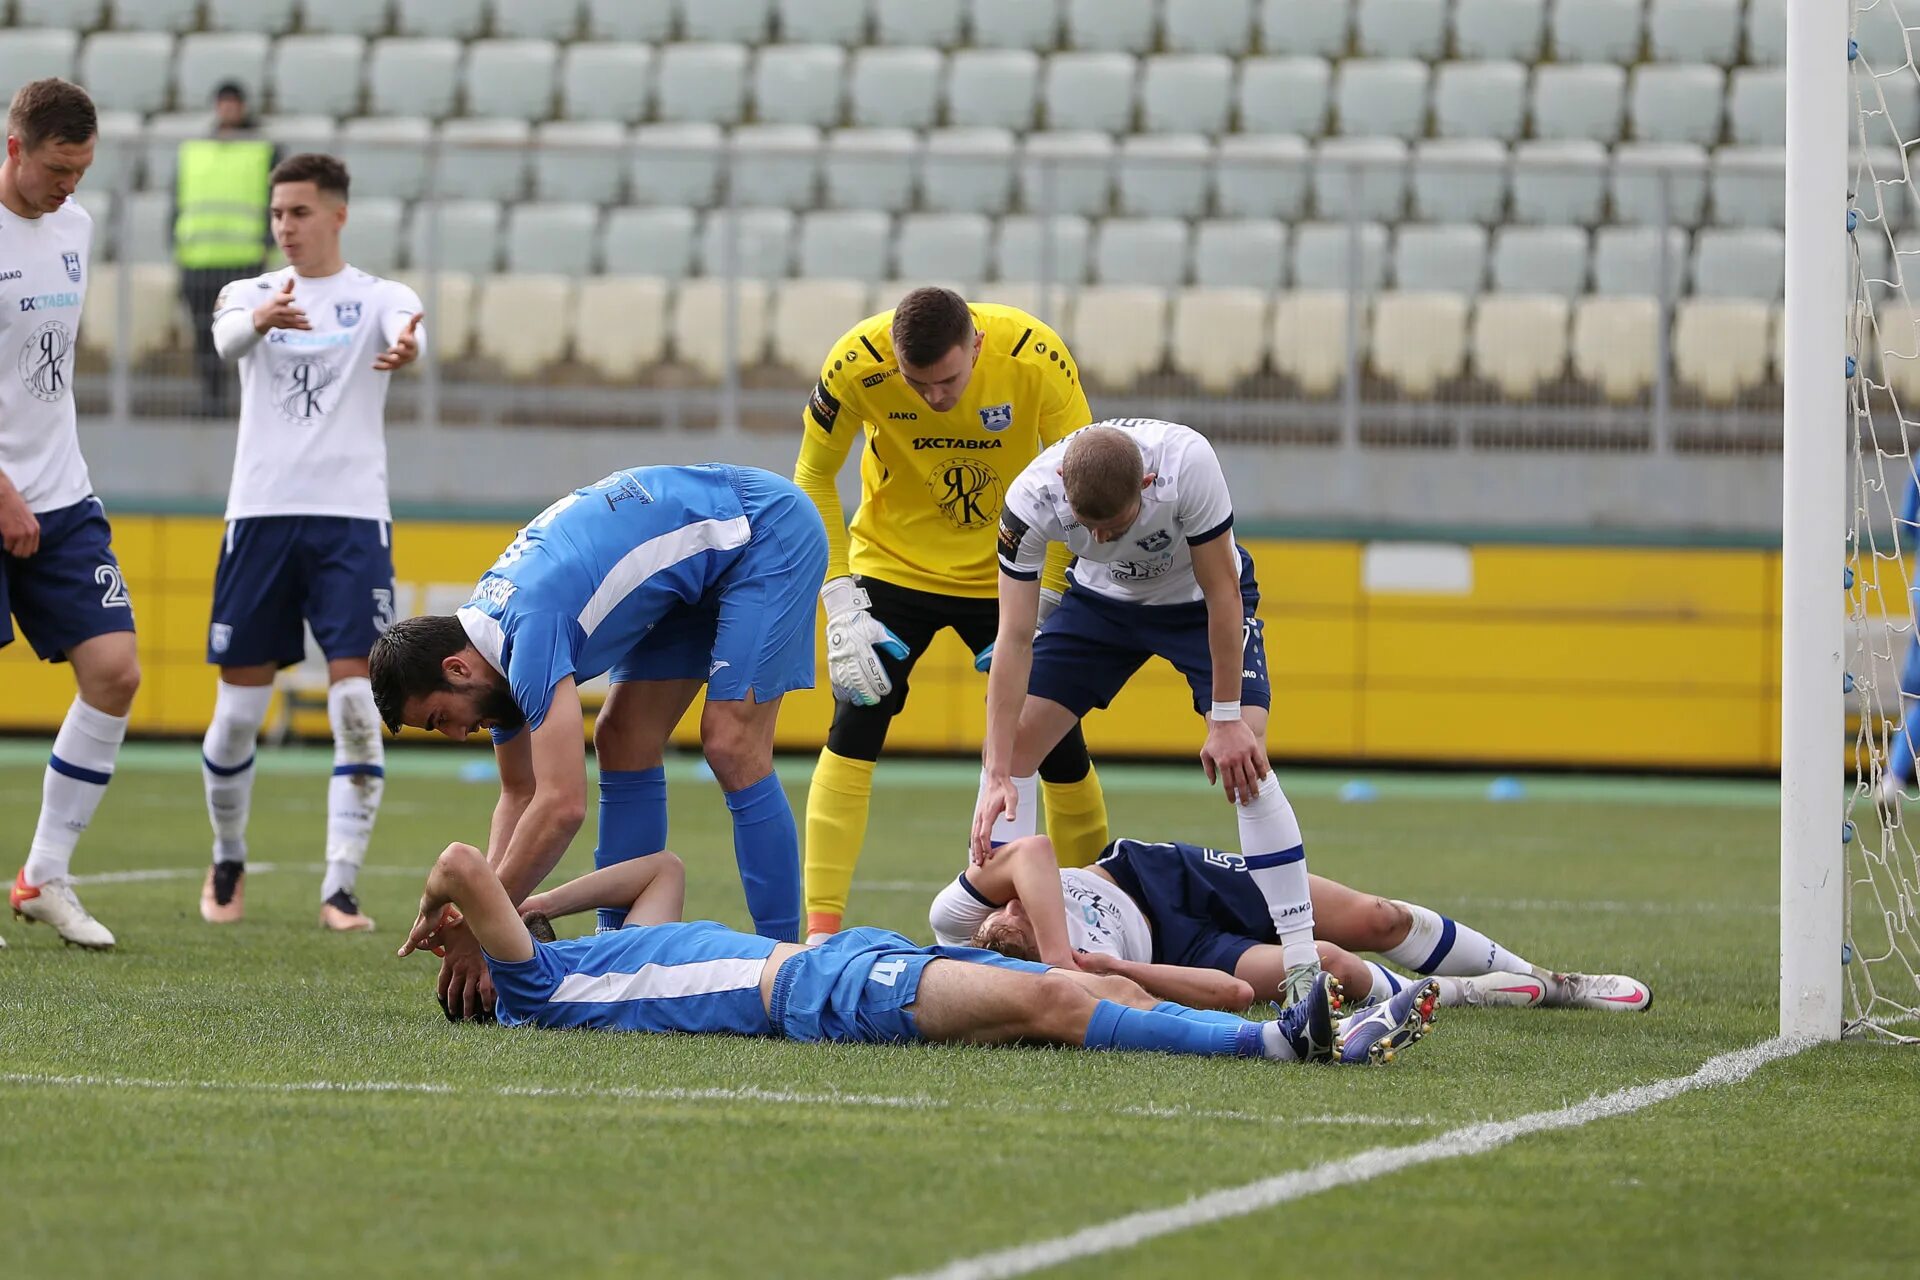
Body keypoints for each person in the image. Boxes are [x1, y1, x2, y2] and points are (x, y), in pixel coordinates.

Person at [370, 463, 829, 1019]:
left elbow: (562, 805)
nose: (456, 734)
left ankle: (786, 962)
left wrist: (486, 927)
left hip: (763, 529)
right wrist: (485, 915)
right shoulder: (489, 649)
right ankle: (617, 950)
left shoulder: (527, 630)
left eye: (441, 717)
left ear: (456, 669)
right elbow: (519, 792)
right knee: (622, 738)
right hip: (702, 565)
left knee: (732, 744)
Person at [395, 841, 1438, 1067]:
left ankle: (1302, 1022)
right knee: (1061, 1005)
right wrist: (452, 915)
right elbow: (455, 861)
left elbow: (655, 868)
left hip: (850, 964)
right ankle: (1283, 1044)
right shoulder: (538, 989)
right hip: (822, 989)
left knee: (1093, 987)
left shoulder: (597, 958)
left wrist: (531, 898)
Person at [793, 286, 1111, 944]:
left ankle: (1094, 916)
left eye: (948, 381)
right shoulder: (856, 362)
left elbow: (1080, 488)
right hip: (892, 563)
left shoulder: (1037, 359)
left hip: (1011, 568)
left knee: (1055, 739)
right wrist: (838, 597)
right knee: (856, 716)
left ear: (977, 347)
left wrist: (1049, 599)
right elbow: (813, 475)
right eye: (918, 385)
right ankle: (820, 934)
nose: (934, 398)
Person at [972, 418, 1326, 1007]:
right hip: (1101, 606)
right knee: (1017, 751)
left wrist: (1226, 717)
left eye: (1119, 525)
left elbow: (1223, 593)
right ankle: (997, 946)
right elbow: (1013, 638)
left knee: (1248, 762)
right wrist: (994, 772)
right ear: (1064, 489)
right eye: (1091, 529)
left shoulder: (1188, 463)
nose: (1106, 539)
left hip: (1193, 602)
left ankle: (1302, 961)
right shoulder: (1029, 500)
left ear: (1148, 483)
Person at [195, 153, 424, 932]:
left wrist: (407, 347)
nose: (284, 227)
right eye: (276, 214)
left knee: (358, 702)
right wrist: (261, 321)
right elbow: (226, 340)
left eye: (298, 212)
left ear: (337, 215)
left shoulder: (379, 297)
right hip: (259, 518)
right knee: (235, 716)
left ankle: (340, 886)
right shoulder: (248, 292)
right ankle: (227, 857)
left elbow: (406, 325)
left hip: (351, 521)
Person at [932, 834, 1653, 1014]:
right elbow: (1232, 998)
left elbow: (1032, 850)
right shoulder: (1043, 988)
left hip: (1155, 874)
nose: (1024, 910)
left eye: (1017, 910)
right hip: (1175, 950)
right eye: (1026, 927)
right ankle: (1476, 992)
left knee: (1375, 915)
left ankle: (1550, 979)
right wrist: (1113, 969)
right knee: (1330, 965)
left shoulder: (958, 920)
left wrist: (1056, 950)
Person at [0, 79, 136, 952]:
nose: (70, 187)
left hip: (62, 496)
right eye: (58, 168)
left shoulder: (76, 227)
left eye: (82, 170)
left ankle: (43, 875)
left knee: (116, 672)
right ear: (15, 146)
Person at [174, 80, 274, 418]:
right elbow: (179, 198)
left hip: (243, 260)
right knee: (205, 335)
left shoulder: (263, 148)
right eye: (223, 102)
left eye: (233, 103)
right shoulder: (194, 149)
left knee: (248, 335)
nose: (228, 109)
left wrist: (266, 243)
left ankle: (249, 401)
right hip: (198, 257)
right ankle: (211, 398)